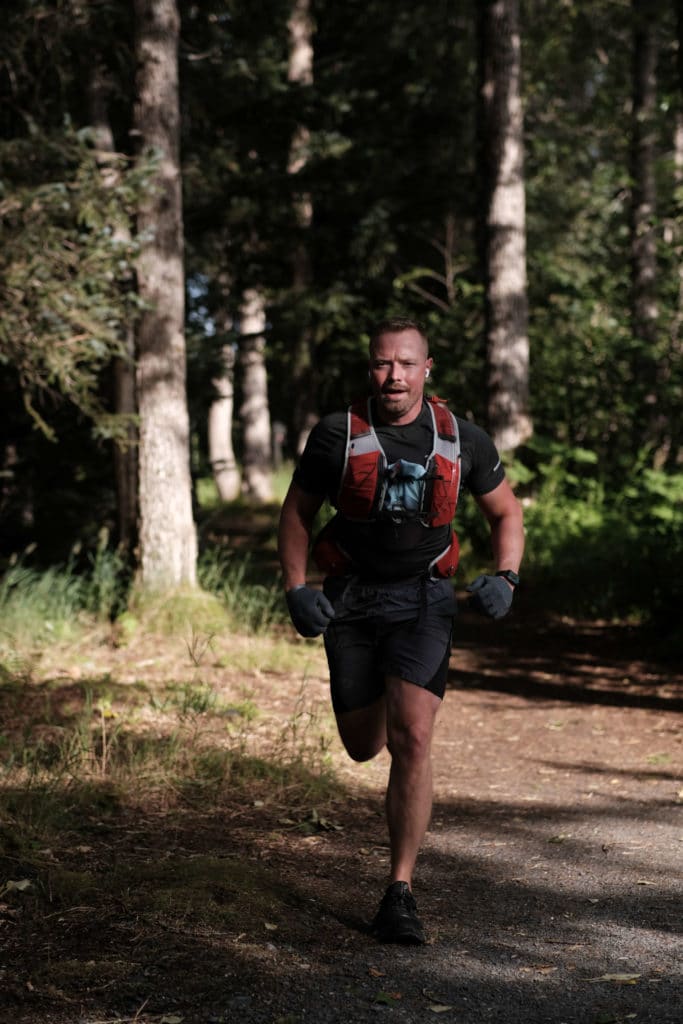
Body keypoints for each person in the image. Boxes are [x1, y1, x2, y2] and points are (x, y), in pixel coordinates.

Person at [277, 317, 524, 945]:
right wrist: (296, 589)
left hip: (425, 601)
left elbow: (506, 512)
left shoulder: (462, 438)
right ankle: (389, 690)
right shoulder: (336, 435)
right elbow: (297, 514)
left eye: (406, 364)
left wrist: (508, 576)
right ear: (371, 369)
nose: (395, 376)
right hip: (352, 601)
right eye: (384, 364)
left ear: (426, 368)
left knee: (412, 735)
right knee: (365, 745)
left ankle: (400, 891)